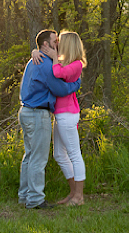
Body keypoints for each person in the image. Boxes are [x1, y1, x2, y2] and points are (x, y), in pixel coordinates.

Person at [18, 29, 81, 210]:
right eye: (55, 41)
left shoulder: (33, 60)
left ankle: (25, 195)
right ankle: (35, 199)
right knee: (38, 158)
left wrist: (35, 51)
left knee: (29, 156)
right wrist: (76, 84)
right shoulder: (45, 65)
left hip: (26, 111)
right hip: (38, 114)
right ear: (46, 44)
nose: (58, 44)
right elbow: (60, 89)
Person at [38, 31, 87, 206]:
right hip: (60, 114)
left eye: (60, 41)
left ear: (68, 44)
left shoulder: (76, 64)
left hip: (68, 114)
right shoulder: (63, 60)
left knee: (74, 154)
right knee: (59, 154)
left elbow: (58, 73)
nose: (57, 44)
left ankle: (79, 197)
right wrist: (35, 52)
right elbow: (46, 56)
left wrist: (54, 59)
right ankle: (72, 193)